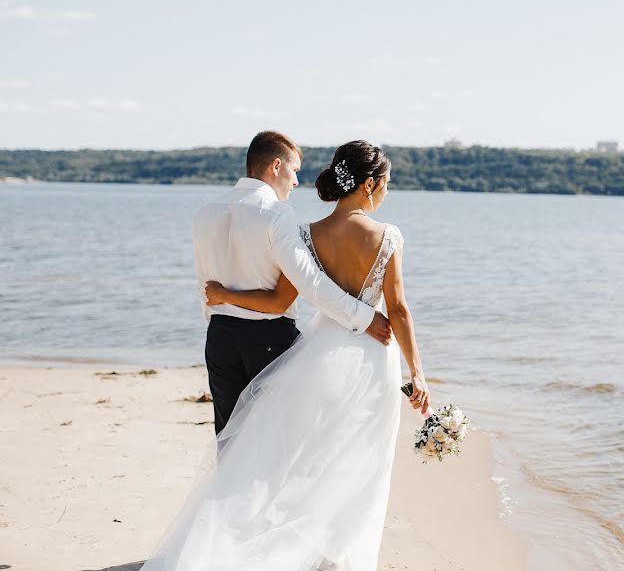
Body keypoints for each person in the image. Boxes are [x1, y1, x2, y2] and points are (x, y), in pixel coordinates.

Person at [140, 140, 430, 571]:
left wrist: (222, 296)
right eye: (385, 184)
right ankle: (336, 554)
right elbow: (399, 309)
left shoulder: (306, 233)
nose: (386, 192)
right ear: (370, 184)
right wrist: (418, 371)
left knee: (287, 448)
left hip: (316, 354)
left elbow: (282, 297)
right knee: (358, 456)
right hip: (370, 356)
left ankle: (264, 540)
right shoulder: (386, 236)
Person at [191, 130, 393, 437]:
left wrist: (221, 311)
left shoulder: (205, 213)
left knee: (230, 442)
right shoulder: (276, 214)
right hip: (267, 340)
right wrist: (364, 318)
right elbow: (310, 281)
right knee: (278, 443)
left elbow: (205, 288)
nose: (296, 182)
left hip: (219, 339)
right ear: (275, 166)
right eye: (294, 171)